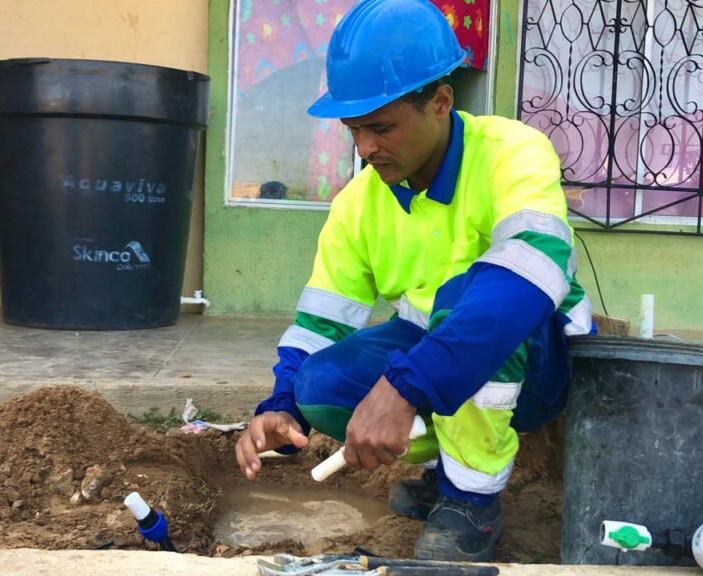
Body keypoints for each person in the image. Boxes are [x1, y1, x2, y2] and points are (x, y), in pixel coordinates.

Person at [234, 0, 594, 563]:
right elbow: (321, 320)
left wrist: (405, 387)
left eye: (381, 127)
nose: (365, 149)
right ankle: (446, 466)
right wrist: (282, 406)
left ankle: (471, 499)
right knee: (320, 385)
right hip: (436, 355)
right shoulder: (358, 203)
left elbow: (523, 283)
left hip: (537, 362)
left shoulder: (513, 153)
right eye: (354, 131)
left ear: (441, 102)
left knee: (468, 301)